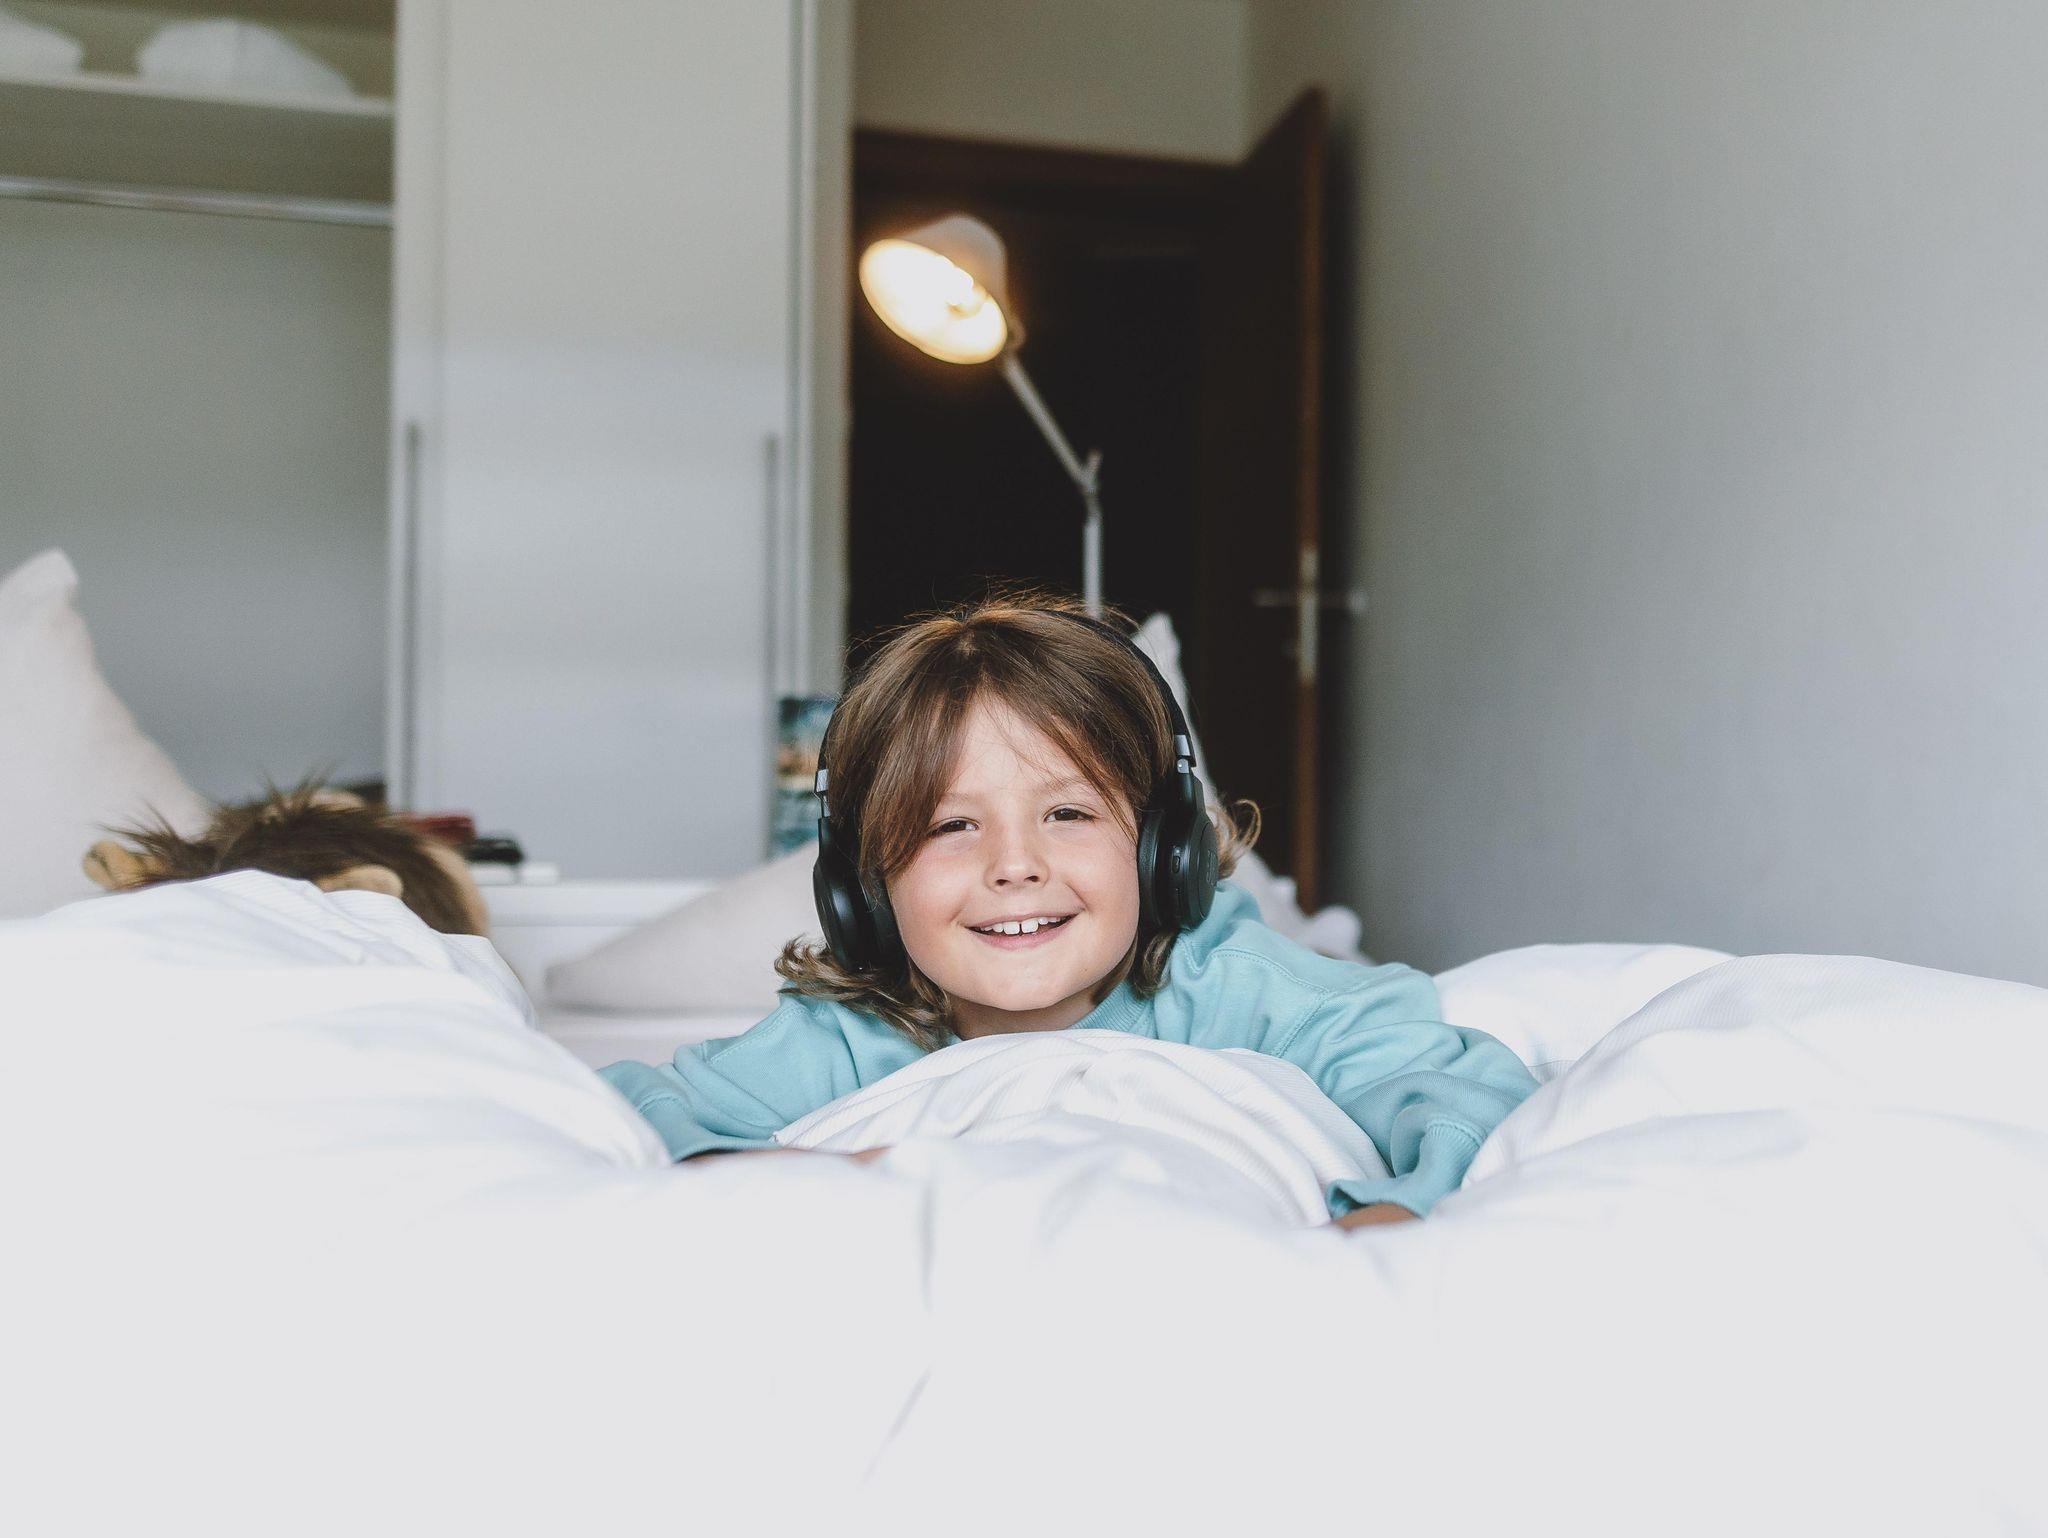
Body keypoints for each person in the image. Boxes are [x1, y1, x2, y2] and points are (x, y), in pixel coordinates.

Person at [598, 593, 1537, 1229]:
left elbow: (1456, 1092)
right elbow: (637, 1114)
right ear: (864, 887)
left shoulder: (1241, 987)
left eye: (1069, 814)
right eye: (951, 826)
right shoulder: (849, 1033)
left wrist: (1388, 1219)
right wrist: (794, 1176)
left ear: (1163, 847)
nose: (1015, 866)